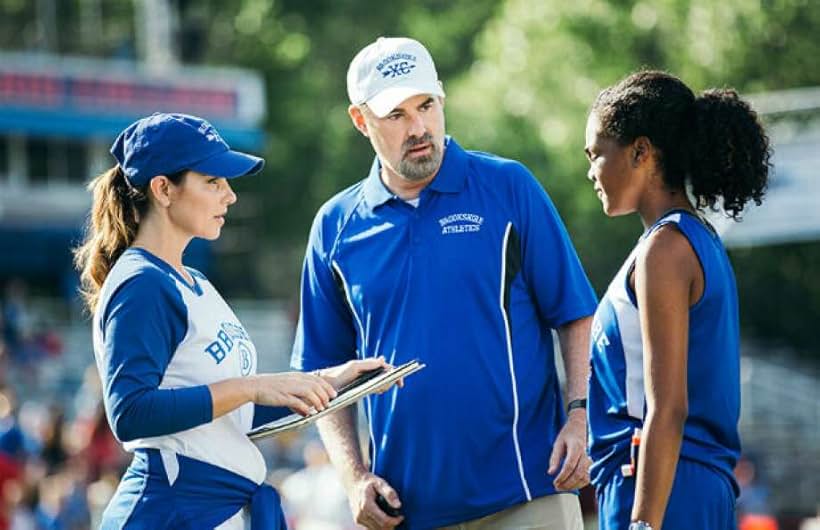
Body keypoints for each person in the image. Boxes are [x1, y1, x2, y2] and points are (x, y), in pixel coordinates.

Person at [291, 37, 598, 530]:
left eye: (426, 106)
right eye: (396, 115)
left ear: (441, 100)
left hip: (529, 490)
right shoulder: (335, 226)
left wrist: (580, 418)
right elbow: (321, 375)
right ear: (360, 120)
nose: (419, 128)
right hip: (407, 512)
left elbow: (574, 313)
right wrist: (353, 478)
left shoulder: (508, 187)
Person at [73, 113, 391, 530]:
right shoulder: (141, 282)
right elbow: (130, 412)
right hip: (170, 509)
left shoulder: (193, 281)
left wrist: (325, 384)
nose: (230, 195)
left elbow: (229, 415)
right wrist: (249, 386)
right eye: (213, 182)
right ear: (163, 189)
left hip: (212, 510)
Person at [583, 71, 771, 530]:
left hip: (662, 492)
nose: (590, 171)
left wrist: (644, 523)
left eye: (596, 154)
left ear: (641, 152)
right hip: (683, 487)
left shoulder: (665, 249)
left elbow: (668, 406)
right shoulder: (693, 238)